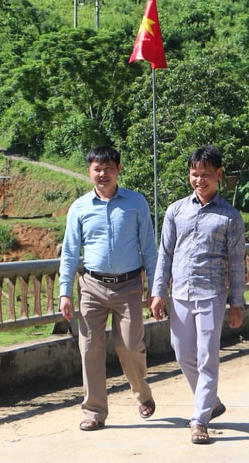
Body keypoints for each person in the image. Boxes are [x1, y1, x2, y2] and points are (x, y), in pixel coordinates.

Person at [150, 146, 246, 445]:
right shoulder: (176, 210)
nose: (199, 180)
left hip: (212, 295)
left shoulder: (230, 217)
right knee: (182, 353)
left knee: (207, 358)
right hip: (179, 294)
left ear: (218, 175)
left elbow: (236, 263)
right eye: (195, 174)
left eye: (206, 174)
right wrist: (157, 292)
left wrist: (236, 303)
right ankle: (212, 401)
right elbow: (164, 254)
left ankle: (199, 419)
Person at [58, 145, 159, 431]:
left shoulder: (136, 202)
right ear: (89, 171)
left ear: (118, 170)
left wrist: (155, 287)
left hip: (128, 286)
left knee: (129, 345)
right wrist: (64, 292)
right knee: (90, 347)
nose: (103, 174)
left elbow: (149, 249)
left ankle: (142, 394)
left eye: (109, 168)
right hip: (91, 286)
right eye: (97, 169)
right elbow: (69, 252)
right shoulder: (79, 207)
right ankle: (94, 411)